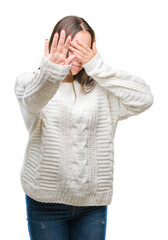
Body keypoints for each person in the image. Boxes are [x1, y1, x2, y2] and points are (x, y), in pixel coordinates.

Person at [14, 15, 154, 240]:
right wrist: (52, 72)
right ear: (55, 46)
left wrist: (98, 67)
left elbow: (145, 98)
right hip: (46, 205)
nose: (77, 57)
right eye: (71, 48)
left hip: (91, 205)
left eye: (84, 49)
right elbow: (33, 100)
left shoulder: (102, 91)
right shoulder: (29, 82)